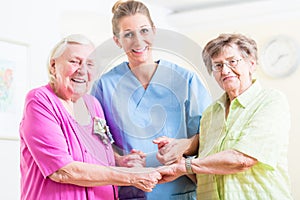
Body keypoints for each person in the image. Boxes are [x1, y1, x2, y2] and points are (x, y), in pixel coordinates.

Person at [90, 0, 211, 199]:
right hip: (131, 191)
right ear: (117, 41)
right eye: (128, 34)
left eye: (144, 31)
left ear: (154, 31)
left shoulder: (186, 80)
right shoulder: (104, 86)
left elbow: (208, 136)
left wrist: (184, 145)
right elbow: (95, 142)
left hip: (179, 191)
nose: (138, 41)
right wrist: (120, 160)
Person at [19, 34, 161, 200]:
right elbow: (62, 171)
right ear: (53, 65)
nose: (83, 70)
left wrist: (120, 161)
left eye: (90, 64)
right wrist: (130, 176)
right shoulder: (40, 101)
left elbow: (95, 153)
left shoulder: (92, 104)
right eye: (74, 61)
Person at [156, 33, 294, 199]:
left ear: (251, 64)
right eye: (218, 65)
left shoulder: (270, 101)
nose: (226, 70)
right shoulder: (210, 114)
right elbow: (205, 172)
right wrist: (177, 160)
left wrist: (185, 165)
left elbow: (242, 159)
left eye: (232, 61)